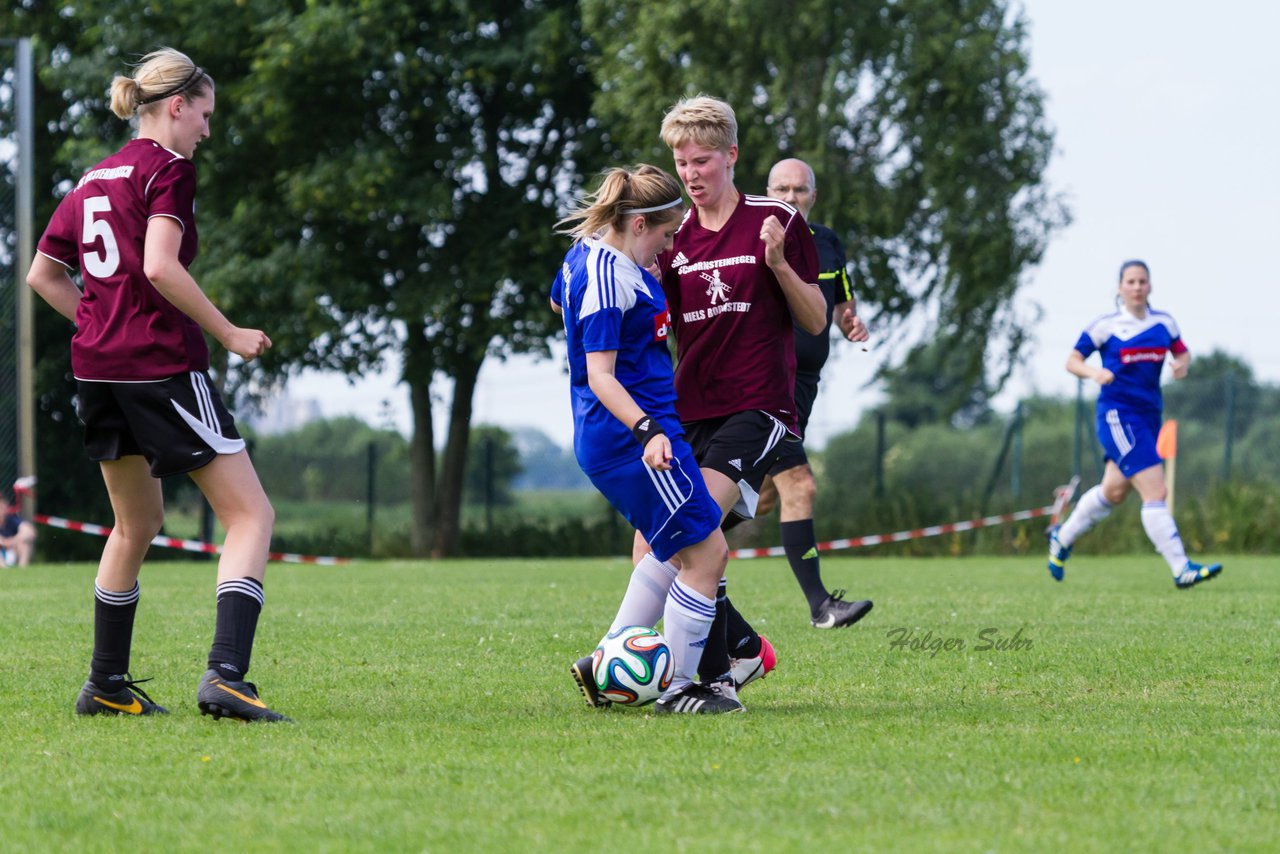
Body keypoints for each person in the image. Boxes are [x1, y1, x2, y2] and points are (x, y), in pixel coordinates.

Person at [25, 48, 289, 721]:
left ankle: (106, 685)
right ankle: (226, 677)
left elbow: (42, 276)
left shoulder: (92, 178)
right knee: (251, 515)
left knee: (134, 524)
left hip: (97, 370)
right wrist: (229, 334)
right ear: (177, 106)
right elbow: (162, 267)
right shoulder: (167, 170)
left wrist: (97, 320)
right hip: (160, 365)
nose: (206, 128)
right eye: (204, 114)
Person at [640, 95, 830, 704]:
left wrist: (777, 264)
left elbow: (816, 318)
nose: (691, 174)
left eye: (702, 160)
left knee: (688, 529)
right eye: (681, 162)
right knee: (659, 541)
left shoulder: (777, 221)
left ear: (731, 155)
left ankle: (703, 683)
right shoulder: (676, 238)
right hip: (688, 410)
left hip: (759, 406)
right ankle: (741, 652)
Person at [552, 164, 740, 714]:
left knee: (670, 548)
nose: (664, 250)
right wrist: (647, 430)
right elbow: (600, 375)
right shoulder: (609, 278)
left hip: (640, 435)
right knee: (707, 555)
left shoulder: (586, 254)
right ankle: (681, 689)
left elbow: (560, 304)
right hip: (634, 441)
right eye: (662, 236)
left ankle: (606, 659)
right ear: (637, 225)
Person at [750, 157, 874, 629]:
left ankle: (668, 558)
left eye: (799, 190)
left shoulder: (827, 243)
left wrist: (851, 322)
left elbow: (842, 304)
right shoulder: (752, 241)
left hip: (804, 388)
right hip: (764, 384)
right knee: (800, 485)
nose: (790, 197)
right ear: (766, 192)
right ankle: (821, 606)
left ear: (813, 196)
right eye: (781, 188)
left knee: (755, 498)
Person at [1047, 260, 1222, 588]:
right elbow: (1072, 360)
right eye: (1130, 281)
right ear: (1120, 288)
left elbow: (1183, 353)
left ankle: (1061, 538)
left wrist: (1181, 365)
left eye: (1142, 281)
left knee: (1113, 491)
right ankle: (1181, 567)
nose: (1137, 287)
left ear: (1150, 286)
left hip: (1148, 417)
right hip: (1117, 415)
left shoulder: (1164, 323)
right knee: (1156, 489)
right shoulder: (1106, 326)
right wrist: (1093, 373)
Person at [0, 492, 36, 567]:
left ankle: (21, 571)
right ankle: (4, 570)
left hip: (12, 551)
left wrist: (12, 541)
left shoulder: (11, 519)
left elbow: (29, 532)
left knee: (23, 545)